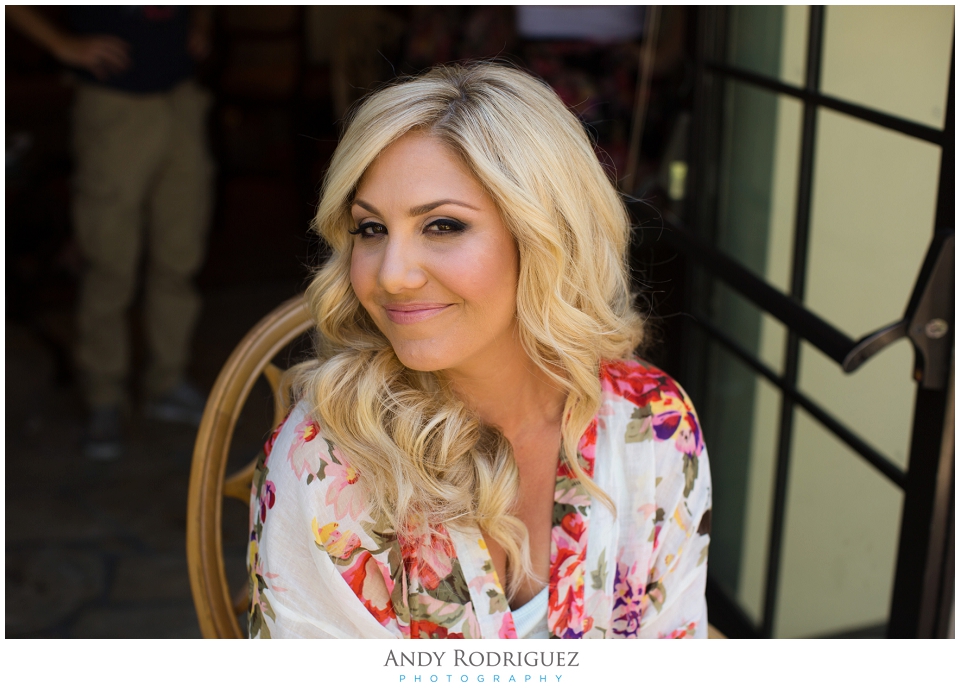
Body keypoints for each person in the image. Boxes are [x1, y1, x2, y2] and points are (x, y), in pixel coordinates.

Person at [247, 63, 711, 639]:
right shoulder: (329, 463)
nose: (391, 276)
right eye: (371, 230)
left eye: (442, 226)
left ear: (547, 238)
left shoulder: (649, 424)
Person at [6, 6, 214, 459]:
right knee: (109, 264)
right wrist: (61, 44)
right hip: (113, 104)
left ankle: (167, 382)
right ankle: (104, 398)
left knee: (179, 255)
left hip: (181, 98)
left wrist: (200, 22)